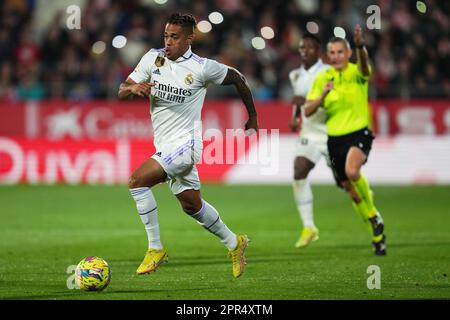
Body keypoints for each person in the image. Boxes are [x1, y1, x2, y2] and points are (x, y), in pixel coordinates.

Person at [117, 13, 258, 277]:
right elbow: (122, 89)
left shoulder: (203, 67)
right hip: (164, 145)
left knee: (137, 181)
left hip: (187, 144)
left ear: (189, 39)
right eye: (165, 36)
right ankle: (234, 243)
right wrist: (132, 90)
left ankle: (155, 248)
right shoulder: (152, 59)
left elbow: (239, 79)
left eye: (174, 37)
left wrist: (253, 116)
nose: (168, 42)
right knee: (192, 206)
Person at [304, 25, 386, 255]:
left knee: (352, 171)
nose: (337, 56)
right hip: (335, 139)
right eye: (332, 53)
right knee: (350, 190)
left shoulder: (357, 72)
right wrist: (322, 96)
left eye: (341, 52)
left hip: (359, 132)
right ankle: (375, 225)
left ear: (348, 53)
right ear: (327, 56)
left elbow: (365, 66)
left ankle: (373, 216)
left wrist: (360, 45)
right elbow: (308, 110)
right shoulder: (323, 78)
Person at [287, 34, 330, 248]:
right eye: (302, 47)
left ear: (319, 51)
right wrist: (295, 117)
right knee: (299, 171)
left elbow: (330, 99)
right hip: (310, 132)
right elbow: (297, 100)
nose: (304, 51)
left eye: (309, 47)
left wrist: (303, 102)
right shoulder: (295, 75)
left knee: (347, 182)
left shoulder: (327, 72)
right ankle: (309, 226)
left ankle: (371, 217)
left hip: (332, 131)